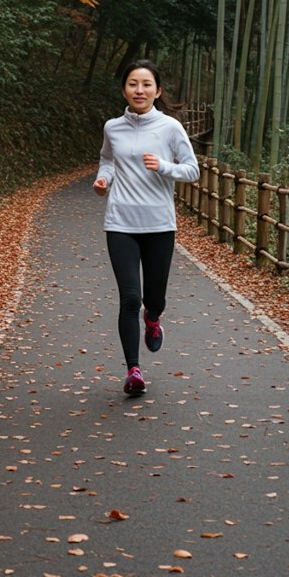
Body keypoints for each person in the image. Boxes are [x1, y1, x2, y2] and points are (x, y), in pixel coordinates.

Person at [93, 60, 200, 396]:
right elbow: (108, 159)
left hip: (159, 225)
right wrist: (103, 179)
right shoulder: (113, 127)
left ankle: (152, 319)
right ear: (124, 88)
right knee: (129, 297)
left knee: (154, 298)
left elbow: (192, 170)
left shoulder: (170, 128)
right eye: (133, 84)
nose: (139, 90)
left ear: (158, 90)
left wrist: (163, 166)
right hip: (120, 223)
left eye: (146, 84)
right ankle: (133, 370)